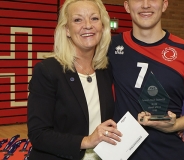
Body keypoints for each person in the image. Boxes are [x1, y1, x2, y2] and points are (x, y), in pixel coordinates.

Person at [108, 0, 184, 160]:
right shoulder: (109, 47)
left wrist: (176, 125)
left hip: (168, 153)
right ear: (127, 6)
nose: (145, 5)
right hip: (119, 152)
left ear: (164, 5)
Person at [27, 0, 122, 160]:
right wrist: (87, 141)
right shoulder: (48, 71)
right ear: (67, 30)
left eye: (94, 18)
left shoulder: (106, 70)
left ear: (103, 26)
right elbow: (38, 135)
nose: (87, 25)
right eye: (78, 20)